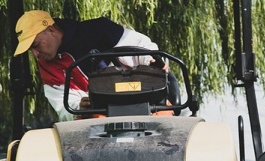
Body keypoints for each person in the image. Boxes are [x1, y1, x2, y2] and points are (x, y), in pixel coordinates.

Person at [13, 10, 161, 120]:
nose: (35, 54)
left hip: (145, 101)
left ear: (51, 30)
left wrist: (151, 62)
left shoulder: (98, 29)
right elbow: (64, 109)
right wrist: (80, 105)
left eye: (36, 45)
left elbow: (141, 47)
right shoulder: (46, 65)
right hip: (99, 118)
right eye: (30, 50)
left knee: (164, 115)